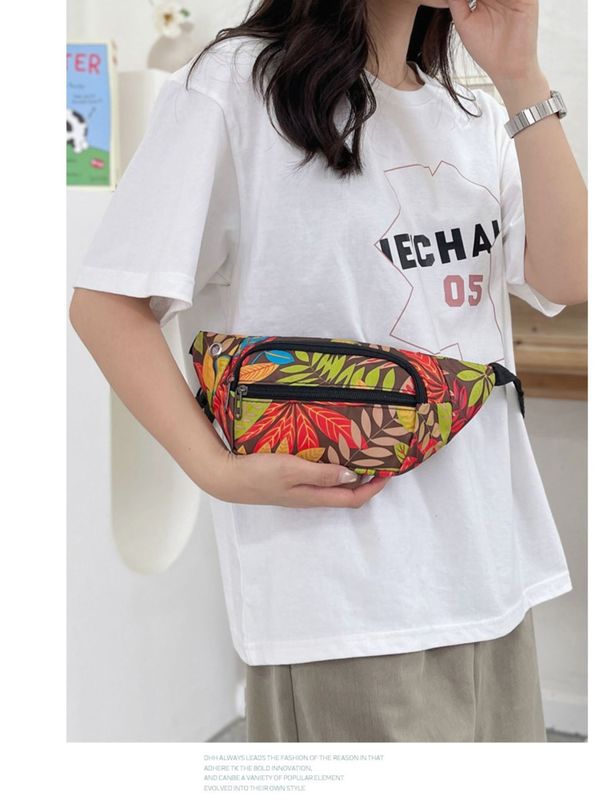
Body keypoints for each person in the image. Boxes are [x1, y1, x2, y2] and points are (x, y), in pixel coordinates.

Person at [69, 0, 587, 742]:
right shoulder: (234, 87)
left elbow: (568, 276)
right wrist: (215, 470)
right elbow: (107, 305)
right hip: (341, 598)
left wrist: (520, 75)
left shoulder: (470, 114)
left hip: (490, 572)